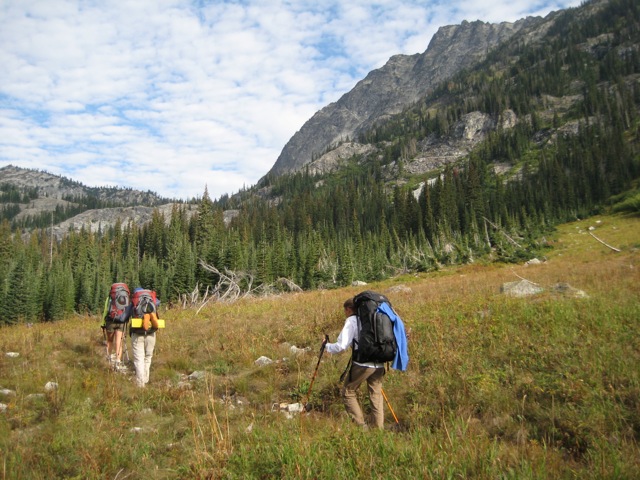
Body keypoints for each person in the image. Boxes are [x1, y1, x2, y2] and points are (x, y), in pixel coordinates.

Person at [324, 297, 386, 429]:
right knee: (376, 394)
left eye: (345, 311)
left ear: (348, 309)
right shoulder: (375, 318)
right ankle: (378, 429)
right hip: (380, 362)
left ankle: (361, 426)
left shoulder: (352, 320)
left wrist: (327, 346)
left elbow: (341, 346)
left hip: (363, 363)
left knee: (348, 392)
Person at [129, 287, 160, 388]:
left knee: (139, 359)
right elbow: (158, 303)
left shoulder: (134, 302)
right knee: (148, 357)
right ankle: (146, 379)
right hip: (151, 333)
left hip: (137, 334)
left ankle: (140, 383)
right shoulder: (152, 300)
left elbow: (125, 316)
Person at [101, 287, 130, 372]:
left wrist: (103, 323)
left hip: (110, 321)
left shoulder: (110, 297)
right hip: (121, 321)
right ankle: (117, 361)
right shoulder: (125, 297)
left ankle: (109, 357)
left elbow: (106, 310)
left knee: (110, 340)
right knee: (119, 342)